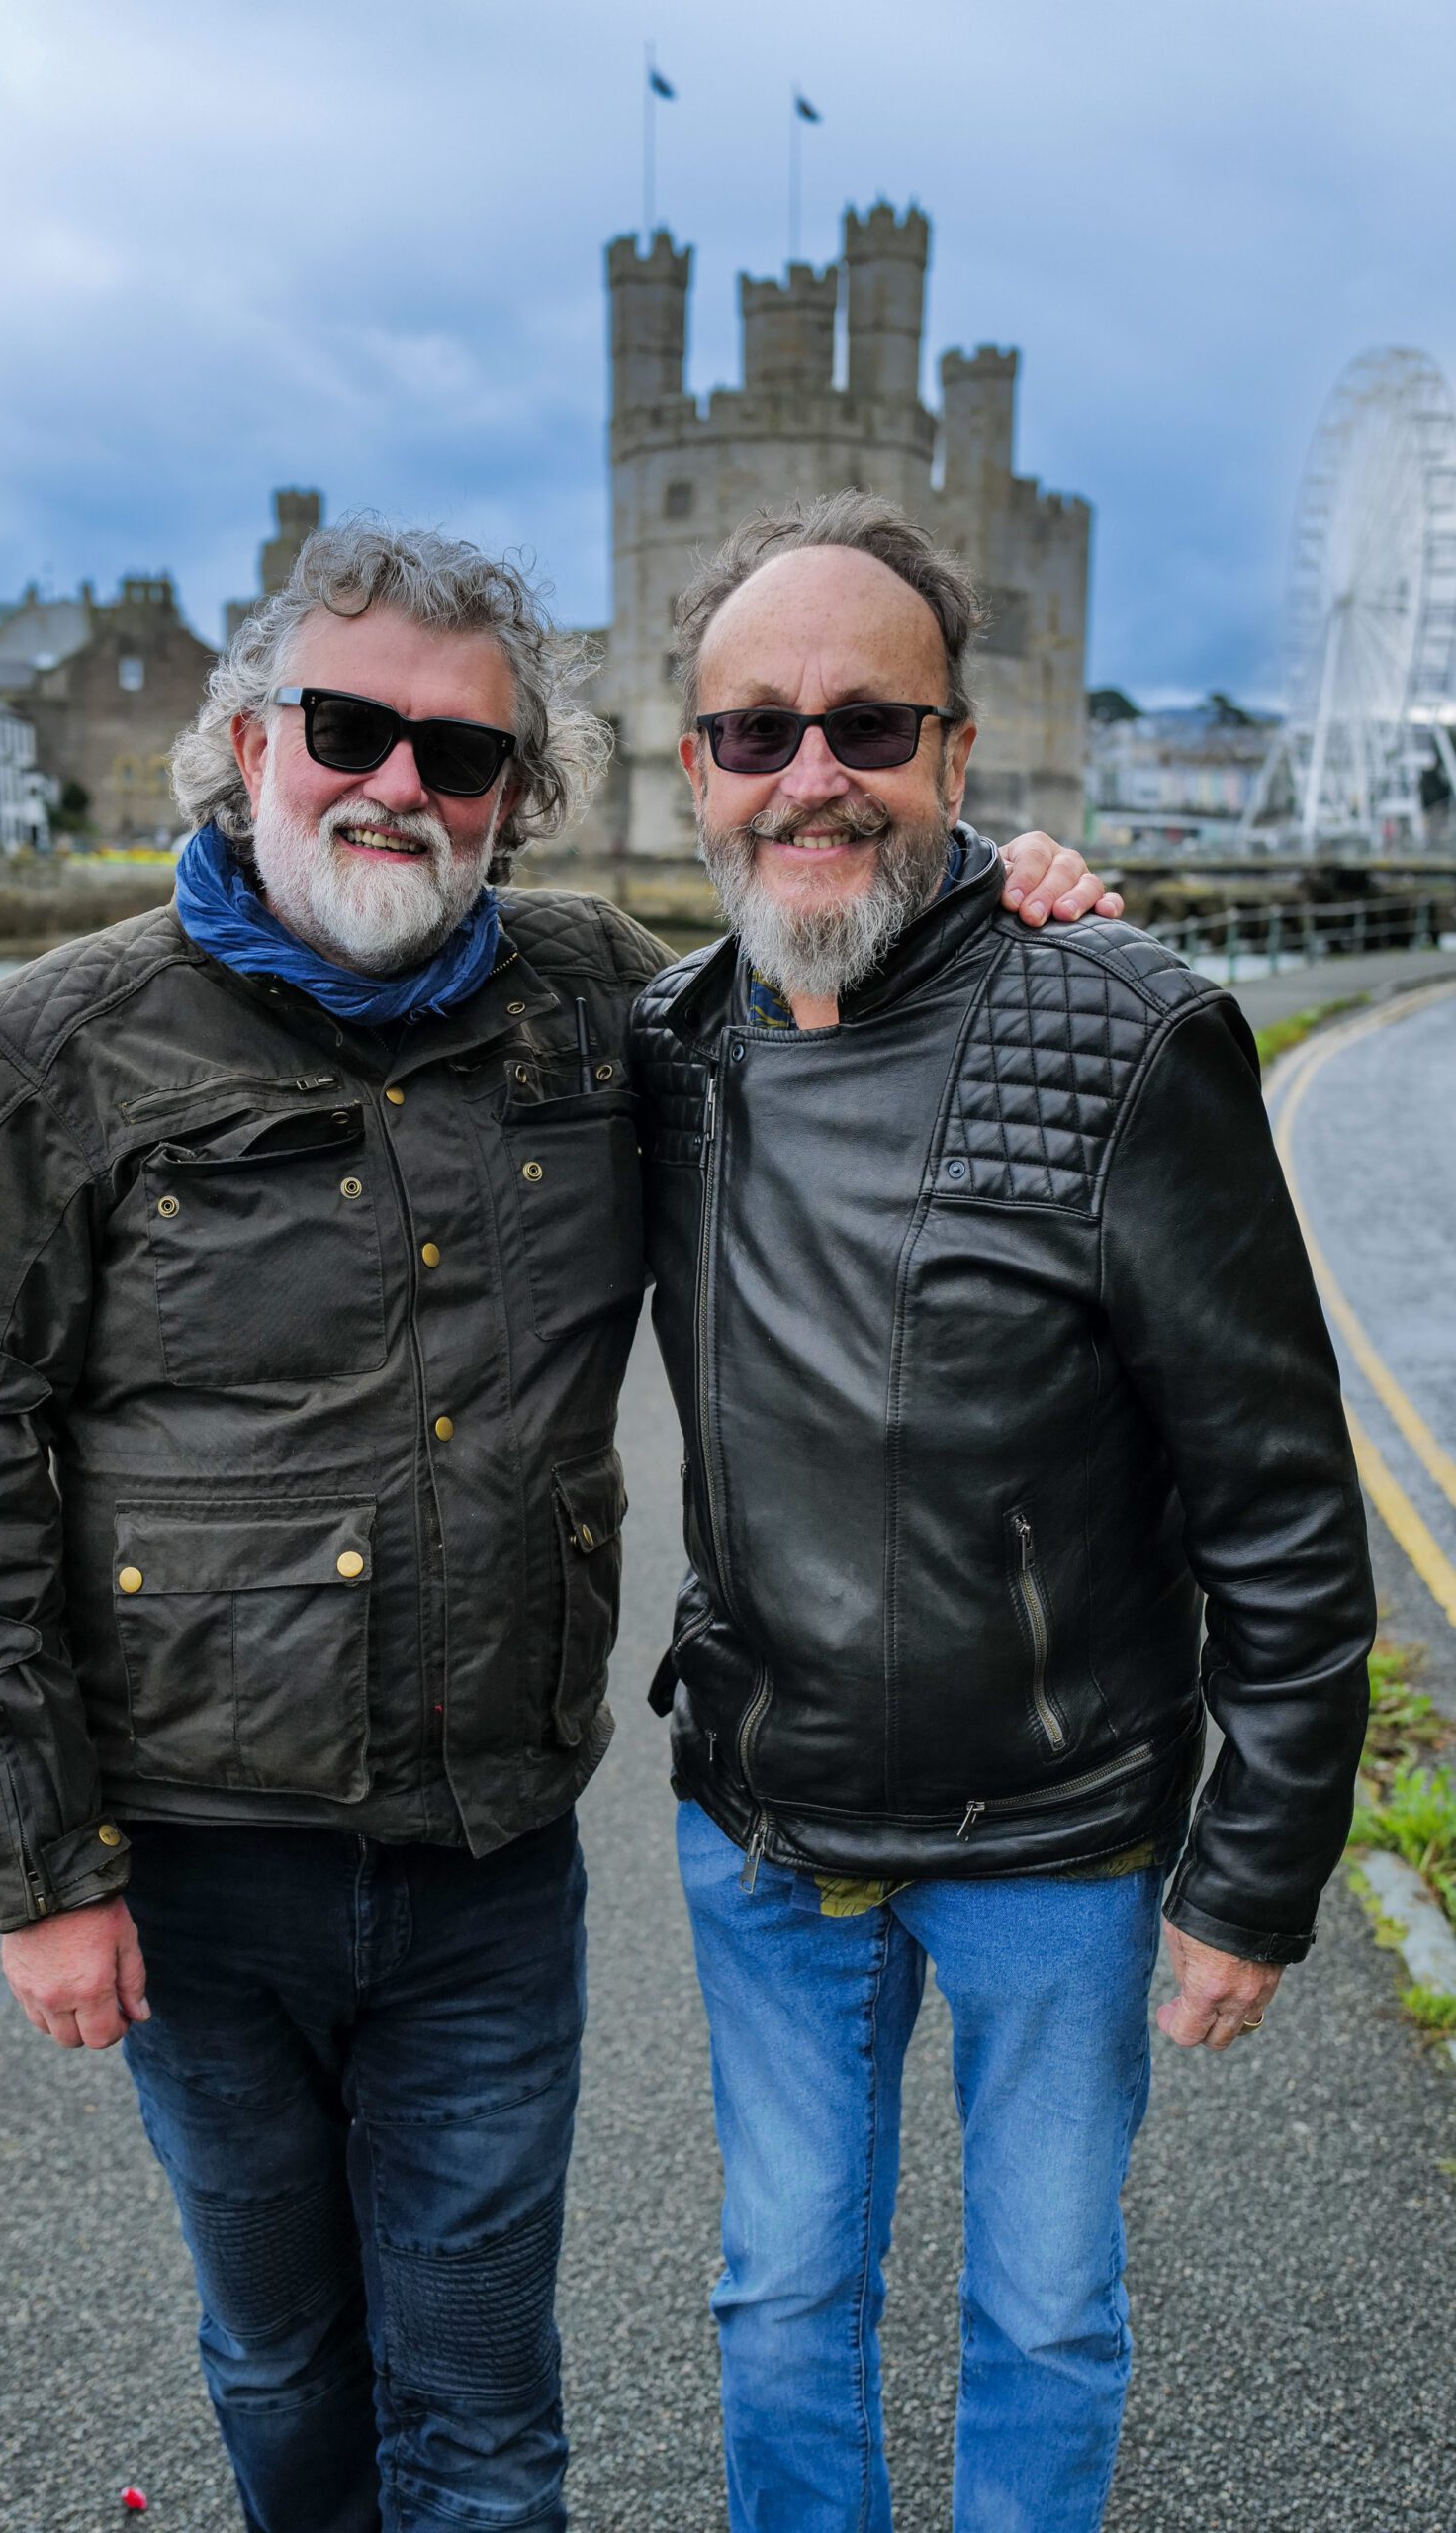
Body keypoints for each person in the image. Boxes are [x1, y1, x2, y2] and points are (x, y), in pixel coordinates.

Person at [0, 516, 1117, 2533]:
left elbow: (843, 958)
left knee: (477, 2393)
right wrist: (33, 1871)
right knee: (279, 2356)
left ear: (514, 797)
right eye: (347, 727)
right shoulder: (33, 1055)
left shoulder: (599, 1005)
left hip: (482, 1858)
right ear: (248, 740)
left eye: (458, 757)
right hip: (190, 1865)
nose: (396, 783)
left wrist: (1017, 902)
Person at [630, 490, 1375, 2533]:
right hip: (763, 1829)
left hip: (1054, 1833)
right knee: (779, 2288)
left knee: (1041, 2306)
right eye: (755, 730)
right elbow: (375, 961)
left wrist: (1253, 1868)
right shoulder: (661, 1049)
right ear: (690, 769)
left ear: (958, 753)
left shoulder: (1129, 1033)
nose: (811, 772)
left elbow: (1281, 1503)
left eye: (869, 728)